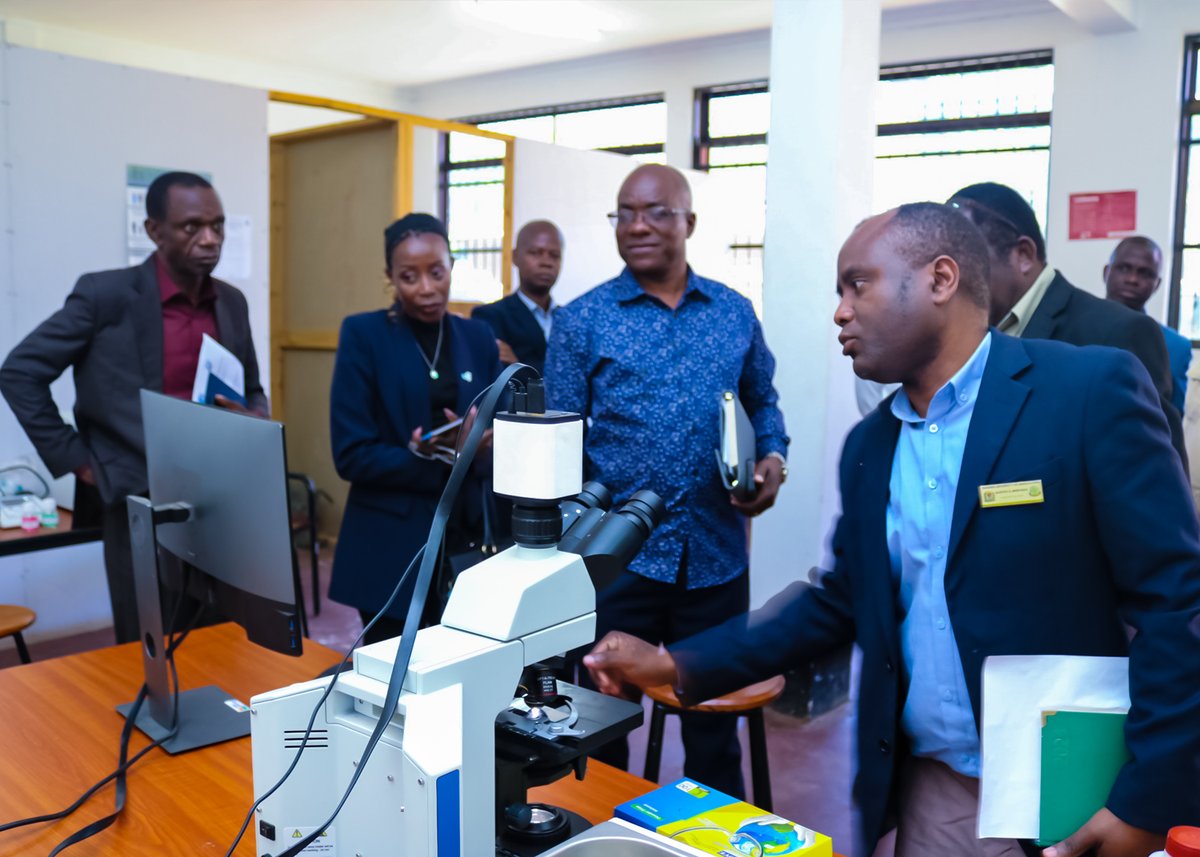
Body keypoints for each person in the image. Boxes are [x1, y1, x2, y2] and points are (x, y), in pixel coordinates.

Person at [585, 202, 1200, 857]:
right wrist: (681, 660)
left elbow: (1178, 601)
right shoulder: (870, 447)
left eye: (859, 284)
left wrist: (1144, 798)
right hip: (936, 789)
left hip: (1074, 788)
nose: (840, 311)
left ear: (940, 279)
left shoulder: (1084, 392)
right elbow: (839, 600)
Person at [545, 164, 789, 797]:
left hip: (715, 556)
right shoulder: (583, 319)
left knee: (712, 731)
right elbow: (557, 440)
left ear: (689, 222)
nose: (638, 225)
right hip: (615, 560)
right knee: (600, 725)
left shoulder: (733, 312)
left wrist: (773, 460)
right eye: (625, 212)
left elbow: (762, 401)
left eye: (656, 211)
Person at [0, 172, 268, 644]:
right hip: (137, 496)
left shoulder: (232, 302)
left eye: (219, 226)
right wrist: (80, 462)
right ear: (154, 231)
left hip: (218, 496)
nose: (210, 240)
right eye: (192, 227)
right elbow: (20, 372)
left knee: (222, 634)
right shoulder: (106, 296)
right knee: (148, 640)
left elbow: (251, 387)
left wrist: (255, 420)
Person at [328, 213, 501, 645]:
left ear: (451, 267)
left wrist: (481, 450)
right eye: (409, 276)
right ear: (390, 277)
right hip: (390, 541)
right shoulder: (363, 334)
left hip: (468, 537)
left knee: (467, 670)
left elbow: (500, 433)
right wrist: (433, 457)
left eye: (436, 272)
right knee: (392, 680)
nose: (426, 288)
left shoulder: (478, 336)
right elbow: (350, 453)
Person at [947, 182, 1187, 467]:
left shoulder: (1118, 333)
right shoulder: (968, 332)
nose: (951, 279)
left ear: (1023, 255)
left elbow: (1155, 478)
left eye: (965, 261)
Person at [1103, 235, 1191, 413]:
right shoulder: (1071, 326)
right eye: (1124, 268)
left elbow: (1171, 421)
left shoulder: (1175, 346)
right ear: (1106, 272)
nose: (1132, 279)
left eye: (1145, 273)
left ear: (1157, 284)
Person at [471, 220, 563, 374]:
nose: (546, 262)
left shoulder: (571, 317)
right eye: (535, 252)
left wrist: (519, 364)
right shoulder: (490, 317)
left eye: (554, 255)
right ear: (515, 257)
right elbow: (500, 378)